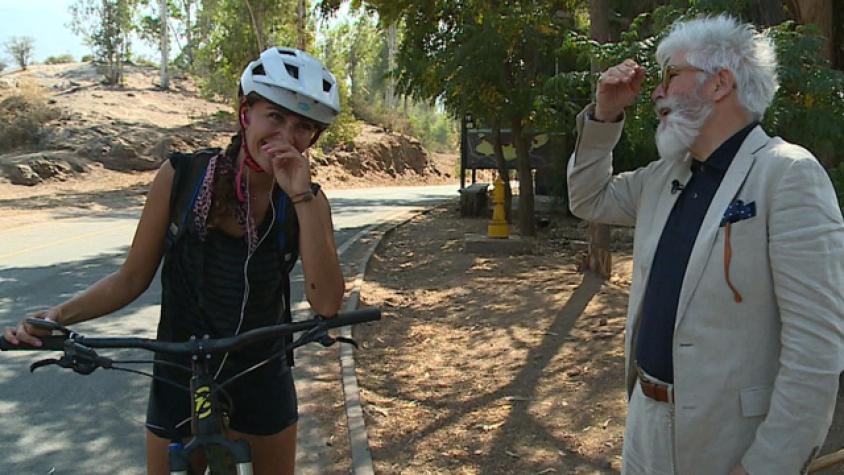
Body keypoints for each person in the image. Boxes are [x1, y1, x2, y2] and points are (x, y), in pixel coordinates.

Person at [3, 47, 345, 475]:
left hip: (263, 373)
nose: (285, 137)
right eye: (274, 116)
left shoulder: (309, 202)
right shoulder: (181, 178)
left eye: (303, 128)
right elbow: (130, 279)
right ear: (246, 114)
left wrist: (300, 195)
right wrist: (56, 316)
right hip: (177, 372)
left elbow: (327, 304)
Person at [567, 15, 844, 475]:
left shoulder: (788, 174)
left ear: (720, 83)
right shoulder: (664, 176)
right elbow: (587, 197)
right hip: (644, 425)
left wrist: (766, 465)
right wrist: (604, 115)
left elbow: (815, 350)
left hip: (728, 443)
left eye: (670, 76)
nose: (656, 93)